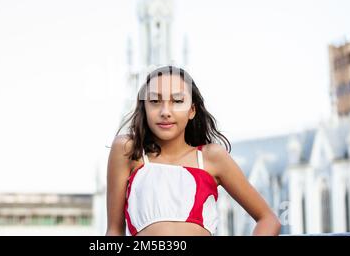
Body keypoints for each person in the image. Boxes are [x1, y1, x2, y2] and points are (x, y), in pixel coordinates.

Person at [105, 65, 281, 236]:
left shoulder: (212, 157)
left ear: (192, 110)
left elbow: (268, 220)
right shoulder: (128, 150)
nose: (165, 111)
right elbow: (114, 231)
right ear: (144, 107)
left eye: (178, 101)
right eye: (155, 101)